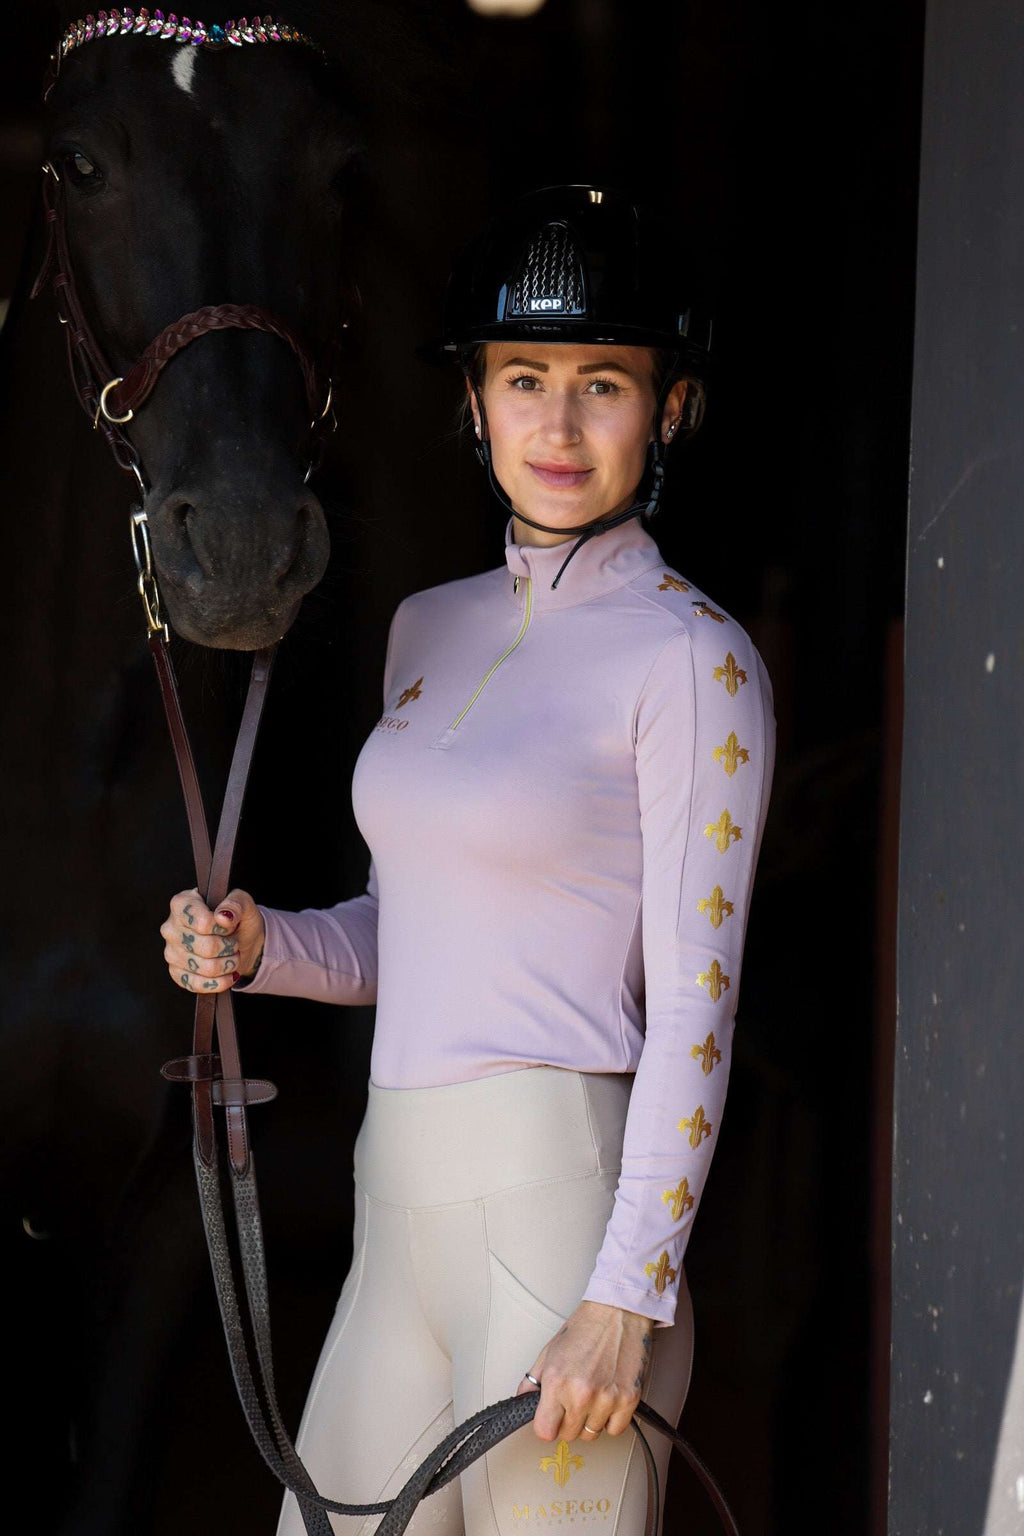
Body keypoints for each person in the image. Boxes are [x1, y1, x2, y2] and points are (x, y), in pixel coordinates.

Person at [160, 183, 776, 1536]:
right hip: (402, 1223)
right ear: (477, 400)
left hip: (564, 1224)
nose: (557, 426)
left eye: (602, 384)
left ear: (668, 407)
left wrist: (627, 1297)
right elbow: (410, 932)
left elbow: (697, 1005)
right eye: (524, 379)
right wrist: (267, 947)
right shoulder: (425, 627)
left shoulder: (694, 657)